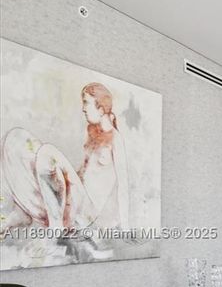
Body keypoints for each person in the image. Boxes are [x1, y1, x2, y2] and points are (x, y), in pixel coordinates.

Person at [0, 82, 130, 233]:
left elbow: (123, 186)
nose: (83, 109)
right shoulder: (93, 133)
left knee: (47, 151)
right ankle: (22, 212)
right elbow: (84, 176)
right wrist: (59, 178)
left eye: (86, 103)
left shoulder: (116, 139)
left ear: (101, 109)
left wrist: (125, 227)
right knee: (17, 138)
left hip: (86, 213)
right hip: (71, 202)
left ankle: (56, 229)